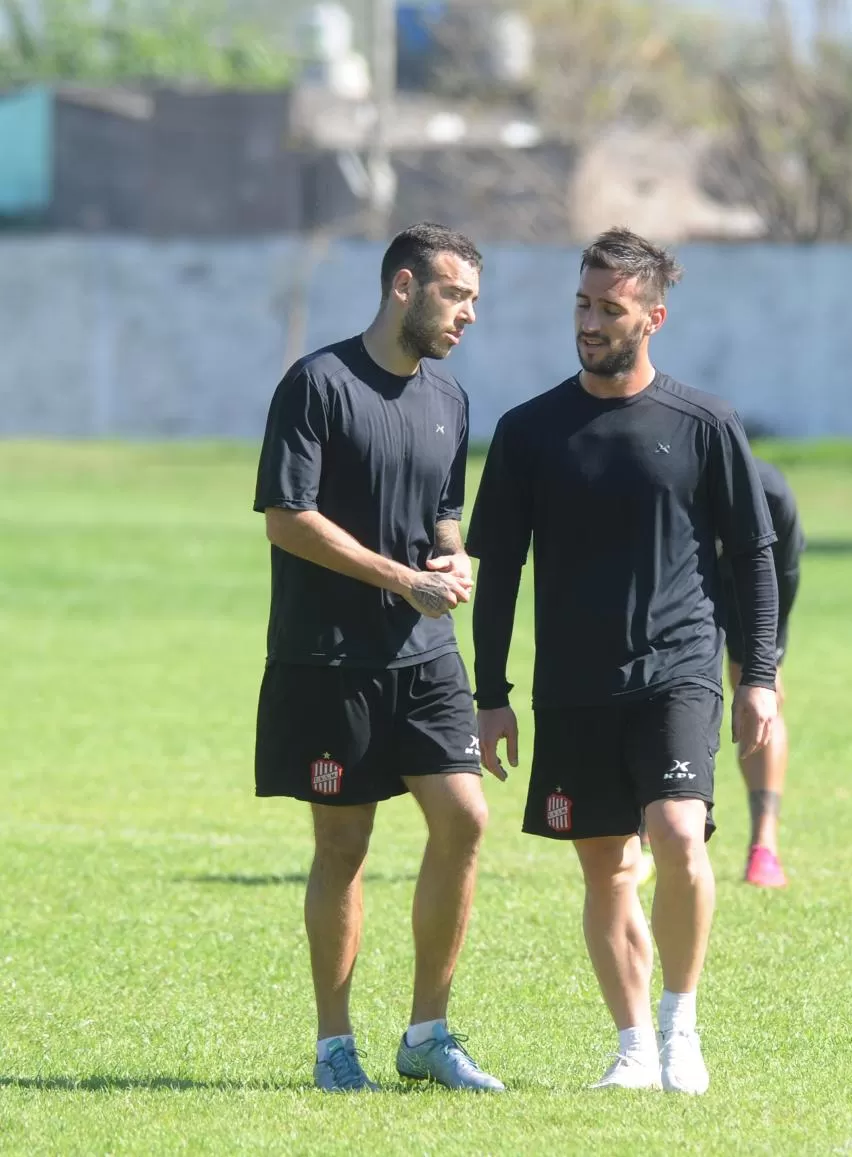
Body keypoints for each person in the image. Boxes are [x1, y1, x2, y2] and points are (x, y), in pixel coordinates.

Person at [466, 226, 779, 1095]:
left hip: (678, 667)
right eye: (582, 303)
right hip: (572, 684)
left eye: (610, 308)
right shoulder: (529, 430)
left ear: (653, 317)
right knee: (606, 868)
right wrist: (491, 695)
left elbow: (751, 555)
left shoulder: (705, 422)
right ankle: (633, 1045)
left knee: (679, 835)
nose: (590, 321)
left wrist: (758, 673)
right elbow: (499, 574)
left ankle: (682, 1026)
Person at [253, 222, 504, 1094]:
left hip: (426, 652)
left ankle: (427, 1033)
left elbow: (443, 505)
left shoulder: (451, 398)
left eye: (473, 296)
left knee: (466, 819)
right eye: (455, 294)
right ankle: (335, 1047)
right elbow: (289, 517)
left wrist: (453, 556)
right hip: (330, 658)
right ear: (404, 286)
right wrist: (401, 578)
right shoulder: (316, 384)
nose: (469, 312)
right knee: (345, 844)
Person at [719, 456, 805, 888]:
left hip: (752, 582)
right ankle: (642, 836)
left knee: (757, 692)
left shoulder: (770, 497)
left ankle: (763, 847)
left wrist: (765, 667)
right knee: (659, 689)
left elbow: (782, 579)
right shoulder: (667, 480)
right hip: (670, 580)